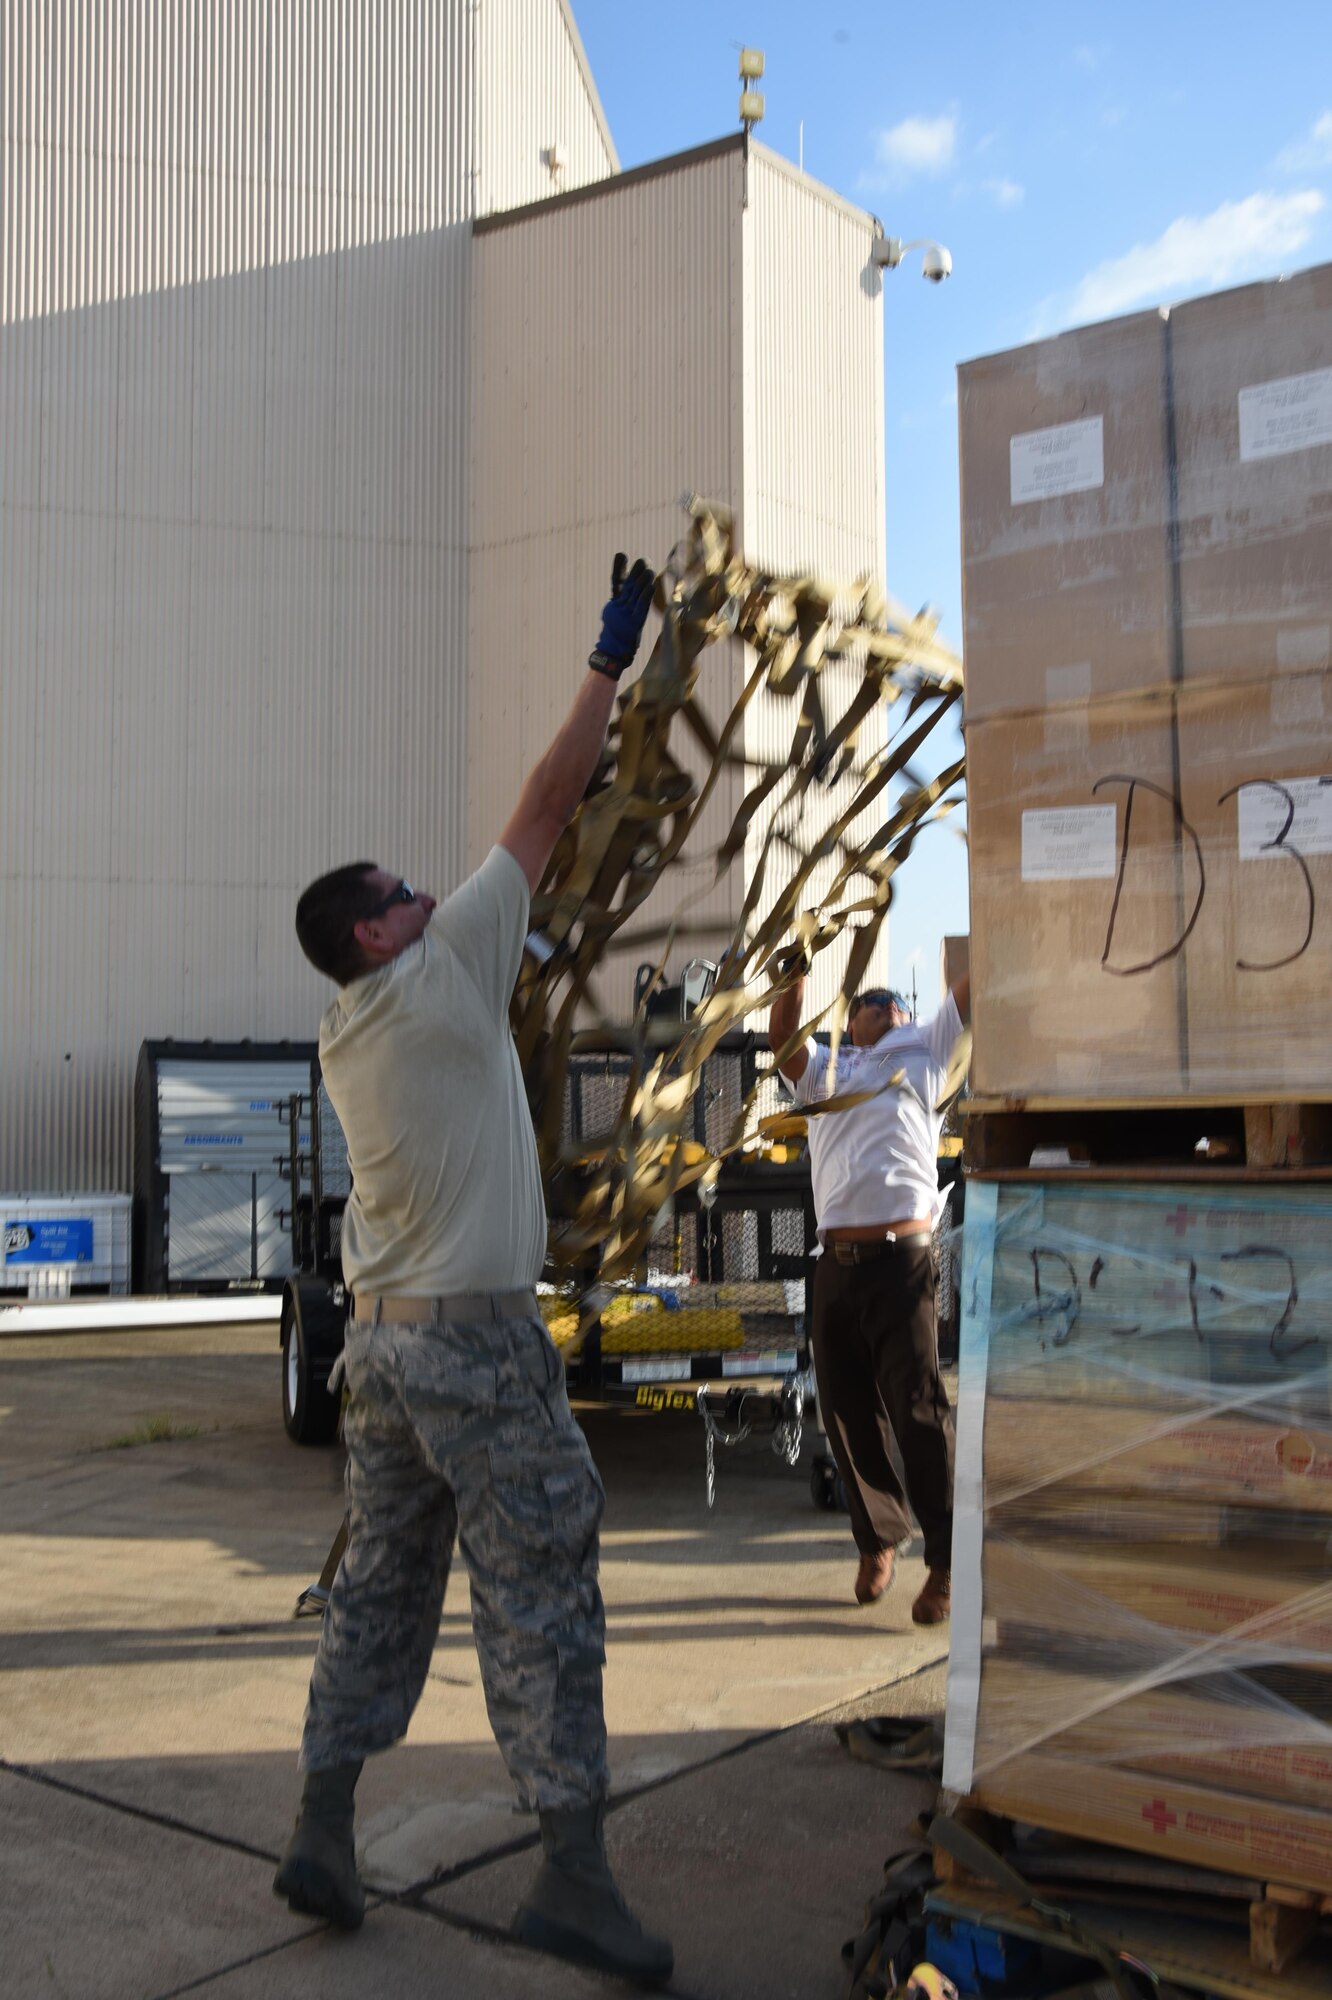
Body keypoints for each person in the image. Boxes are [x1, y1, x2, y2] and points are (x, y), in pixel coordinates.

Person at [275, 555, 672, 1987]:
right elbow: (550, 803)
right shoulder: (443, 972)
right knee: (544, 1584)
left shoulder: (354, 1027)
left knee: (383, 1589)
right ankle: (571, 1876)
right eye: (399, 889)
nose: (425, 886)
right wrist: (607, 659)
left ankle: (323, 1827)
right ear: (377, 935)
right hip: (476, 1352)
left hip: (380, 1350)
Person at [768, 968, 970, 1625]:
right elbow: (781, 1041)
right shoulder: (826, 1068)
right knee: (848, 1414)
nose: (882, 1007)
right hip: (837, 1265)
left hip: (899, 1262)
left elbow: (968, 987)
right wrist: (791, 978)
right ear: (848, 1023)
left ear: (910, 1018)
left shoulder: (925, 1052)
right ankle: (879, 1540)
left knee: (917, 1411)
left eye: (893, 1002)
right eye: (868, 1003)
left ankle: (944, 1564)